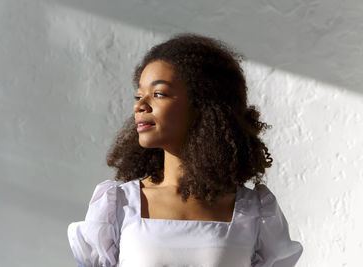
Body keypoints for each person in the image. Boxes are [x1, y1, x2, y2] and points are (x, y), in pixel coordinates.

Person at [67, 32, 303, 267]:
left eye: (158, 94)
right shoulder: (118, 205)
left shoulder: (255, 213)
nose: (139, 105)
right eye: (139, 95)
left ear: (202, 105)